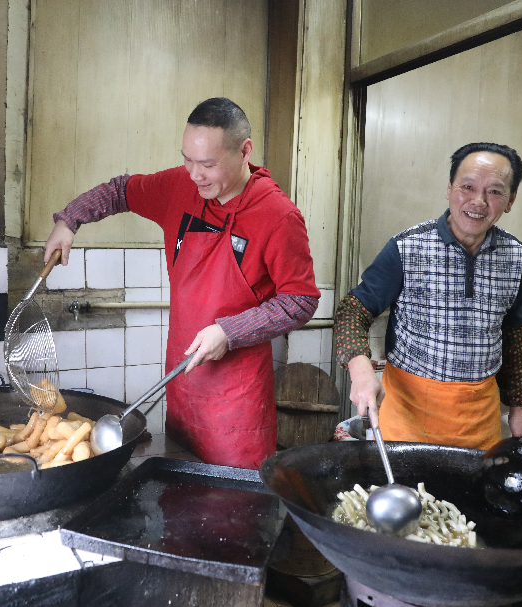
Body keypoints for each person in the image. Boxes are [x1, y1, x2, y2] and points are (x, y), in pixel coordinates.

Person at [44, 98, 320, 469]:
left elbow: (300, 301)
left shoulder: (278, 216)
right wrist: (69, 220)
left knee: (233, 512)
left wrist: (229, 331)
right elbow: (120, 191)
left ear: (245, 151)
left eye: (207, 164)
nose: (195, 174)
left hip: (236, 403)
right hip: (183, 383)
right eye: (188, 159)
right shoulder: (180, 187)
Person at [334, 142, 522, 450]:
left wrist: (518, 412)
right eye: (467, 186)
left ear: (510, 200)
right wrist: (359, 368)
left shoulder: (517, 258)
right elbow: (352, 310)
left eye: (494, 191)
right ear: (450, 189)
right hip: (407, 416)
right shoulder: (406, 248)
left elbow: (515, 335)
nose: (478, 201)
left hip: (479, 422)